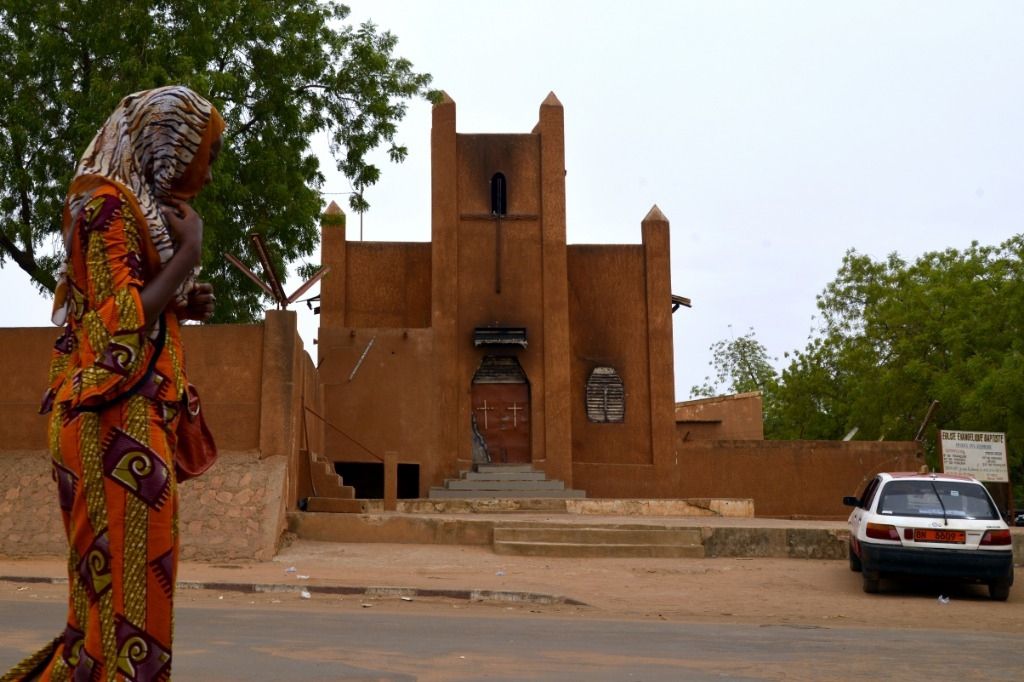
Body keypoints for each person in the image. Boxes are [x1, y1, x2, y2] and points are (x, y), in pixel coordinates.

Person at [4, 85, 223, 681]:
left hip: (125, 425)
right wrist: (188, 254)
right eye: (209, 153)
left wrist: (178, 303)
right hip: (111, 428)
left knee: (112, 618)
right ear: (171, 149)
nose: (209, 171)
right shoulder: (103, 207)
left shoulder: (131, 211)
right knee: (130, 618)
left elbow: (130, 311)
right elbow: (113, 331)